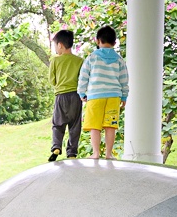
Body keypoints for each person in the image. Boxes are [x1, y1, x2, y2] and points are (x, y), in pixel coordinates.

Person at [78, 25, 129, 160]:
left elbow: (83, 76)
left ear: (97, 40)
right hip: (113, 96)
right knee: (110, 126)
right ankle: (108, 154)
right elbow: (124, 78)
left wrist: (81, 92)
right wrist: (124, 96)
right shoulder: (119, 59)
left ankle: (95, 153)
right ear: (114, 42)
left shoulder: (92, 57)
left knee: (95, 126)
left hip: (95, 96)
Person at [47, 29, 85, 162]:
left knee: (58, 124)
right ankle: (72, 153)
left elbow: (52, 80)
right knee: (75, 126)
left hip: (61, 96)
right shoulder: (80, 60)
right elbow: (82, 79)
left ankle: (56, 147)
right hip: (76, 96)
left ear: (60, 45)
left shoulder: (55, 61)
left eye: (55, 46)